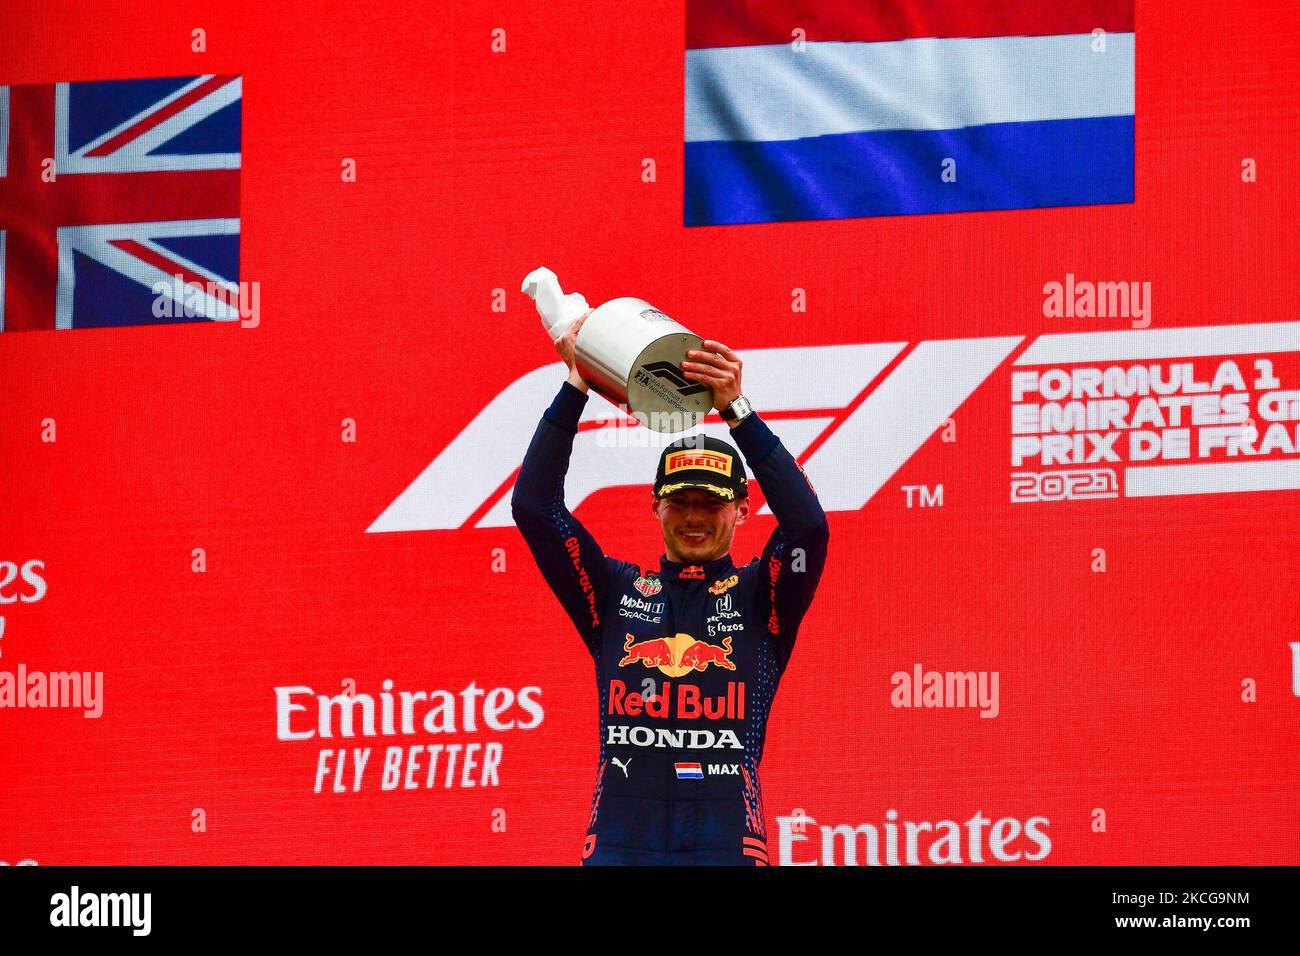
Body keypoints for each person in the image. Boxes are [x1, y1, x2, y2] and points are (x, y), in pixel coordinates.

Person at [511, 312, 830, 865]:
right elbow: (534, 507)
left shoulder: (761, 599)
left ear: (742, 509)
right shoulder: (613, 592)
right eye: (679, 501)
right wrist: (579, 380)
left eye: (711, 502)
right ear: (655, 505)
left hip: (725, 845)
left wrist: (738, 411)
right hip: (618, 846)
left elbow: (807, 527)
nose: (694, 517)